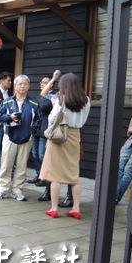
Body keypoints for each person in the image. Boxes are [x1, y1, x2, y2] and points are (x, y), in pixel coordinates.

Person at [42, 73, 90, 219]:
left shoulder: (61, 99)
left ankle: (54, 208)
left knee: (54, 174)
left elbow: (52, 118)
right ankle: (76, 209)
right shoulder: (86, 100)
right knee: (73, 175)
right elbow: (84, 120)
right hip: (75, 136)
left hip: (59, 135)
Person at [0, 75, 39, 201]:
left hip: (26, 138)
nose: (23, 86)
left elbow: (38, 120)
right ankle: (2, 189)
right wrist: (9, 117)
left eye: (25, 84)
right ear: (15, 86)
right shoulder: (7, 101)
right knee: (6, 165)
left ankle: (17, 190)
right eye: (20, 84)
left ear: (29, 86)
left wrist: (33, 131)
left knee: (21, 166)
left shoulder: (34, 103)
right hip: (9, 137)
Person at [30, 76, 53, 195]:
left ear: (51, 84)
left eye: (45, 82)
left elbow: (44, 107)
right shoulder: (38, 96)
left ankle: (44, 178)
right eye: (41, 82)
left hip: (45, 129)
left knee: (42, 154)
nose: (41, 84)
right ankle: (38, 175)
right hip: (36, 128)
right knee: (35, 154)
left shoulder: (53, 97)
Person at [117, 110, 132, 203]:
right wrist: (131, 130)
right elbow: (129, 130)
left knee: (128, 170)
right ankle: (115, 196)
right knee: (119, 167)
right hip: (131, 141)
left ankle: (116, 198)